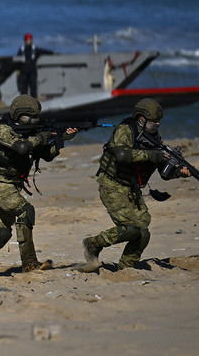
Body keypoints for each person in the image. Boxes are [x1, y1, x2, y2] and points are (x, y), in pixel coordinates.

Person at [0, 95, 78, 275]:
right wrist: (41, 137)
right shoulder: (0, 129)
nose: (34, 120)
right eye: (29, 116)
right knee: (25, 210)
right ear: (18, 115)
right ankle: (30, 263)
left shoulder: (30, 133)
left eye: (36, 116)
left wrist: (63, 139)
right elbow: (21, 147)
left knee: (2, 233)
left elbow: (47, 154)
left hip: (11, 184)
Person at [80, 98, 191, 273]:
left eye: (158, 121)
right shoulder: (125, 130)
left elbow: (164, 172)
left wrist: (178, 172)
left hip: (131, 188)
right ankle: (93, 243)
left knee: (143, 232)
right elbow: (122, 155)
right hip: (112, 184)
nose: (157, 124)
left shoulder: (154, 139)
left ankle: (126, 267)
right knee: (131, 229)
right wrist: (152, 156)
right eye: (153, 120)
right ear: (141, 118)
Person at [16, 33, 53, 98]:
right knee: (23, 89)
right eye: (28, 40)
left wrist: (53, 53)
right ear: (25, 41)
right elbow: (17, 60)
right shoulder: (21, 49)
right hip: (23, 72)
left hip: (32, 71)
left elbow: (44, 51)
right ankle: (23, 103)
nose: (29, 41)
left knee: (33, 88)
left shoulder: (35, 49)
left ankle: (34, 103)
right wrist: (18, 71)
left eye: (30, 40)